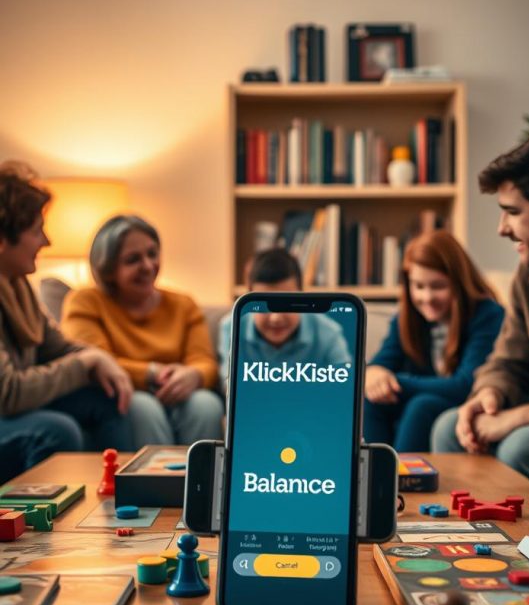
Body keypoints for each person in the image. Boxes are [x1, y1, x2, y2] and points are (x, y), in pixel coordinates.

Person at [431, 131, 529, 513]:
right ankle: (472, 554)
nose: (502, 228)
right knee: (450, 426)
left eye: (512, 212)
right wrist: (490, 396)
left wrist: (517, 417)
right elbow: (508, 359)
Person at [0, 163, 134, 465]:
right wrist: (85, 362)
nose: (46, 241)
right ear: (3, 238)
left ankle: (125, 496)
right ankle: (44, 513)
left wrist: (101, 359)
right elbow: (8, 394)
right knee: (57, 430)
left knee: (107, 398)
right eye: (36, 231)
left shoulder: (17, 285)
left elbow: (58, 347)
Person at [61, 214, 223, 447]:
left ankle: (205, 482)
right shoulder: (84, 301)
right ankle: (155, 484)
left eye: (152, 254)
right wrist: (152, 374)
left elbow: (203, 360)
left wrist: (194, 375)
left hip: (180, 393)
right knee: (141, 407)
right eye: (133, 259)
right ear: (107, 269)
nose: (148, 266)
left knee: (206, 404)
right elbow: (93, 360)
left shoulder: (183, 304)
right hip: (126, 394)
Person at [364, 230, 504, 451]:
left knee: (422, 405)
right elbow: (382, 361)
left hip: (469, 402)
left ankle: (403, 481)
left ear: (459, 282)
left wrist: (395, 382)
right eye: (418, 286)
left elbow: (466, 384)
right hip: (428, 397)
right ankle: (370, 477)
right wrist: (373, 373)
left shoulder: (488, 315)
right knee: (370, 401)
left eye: (438, 286)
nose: (426, 298)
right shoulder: (407, 318)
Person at [217, 247, 352, 390]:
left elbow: (345, 387)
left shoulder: (329, 331)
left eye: (286, 303)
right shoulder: (231, 326)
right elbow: (229, 384)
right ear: (248, 299)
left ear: (302, 295)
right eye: (264, 305)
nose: (275, 318)